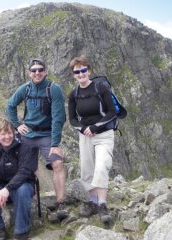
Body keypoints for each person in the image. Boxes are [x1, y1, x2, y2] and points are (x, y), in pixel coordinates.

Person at [6, 58, 67, 219]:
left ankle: (61, 202)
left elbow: (58, 117)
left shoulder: (53, 89)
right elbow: (10, 105)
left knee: (58, 163)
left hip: (47, 134)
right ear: (29, 73)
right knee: (27, 168)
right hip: (28, 134)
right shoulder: (25, 89)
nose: (37, 73)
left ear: (46, 71)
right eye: (33, 70)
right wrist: (17, 125)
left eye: (40, 69)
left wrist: (55, 143)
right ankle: (31, 201)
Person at [68, 55, 115, 224]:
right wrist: (82, 129)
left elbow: (112, 112)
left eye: (83, 70)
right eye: (77, 71)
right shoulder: (74, 94)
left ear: (89, 71)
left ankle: (102, 204)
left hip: (103, 135)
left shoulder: (100, 87)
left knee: (102, 166)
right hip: (85, 136)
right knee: (87, 170)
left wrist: (95, 127)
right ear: (73, 74)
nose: (81, 74)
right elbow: (72, 119)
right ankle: (92, 203)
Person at [0, 117, 37, 240]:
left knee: (22, 191)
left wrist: (7, 189)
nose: (7, 137)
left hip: (22, 185)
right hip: (1, 188)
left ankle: (21, 232)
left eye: (9, 133)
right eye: (3, 134)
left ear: (14, 132)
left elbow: (25, 171)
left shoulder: (24, 146)